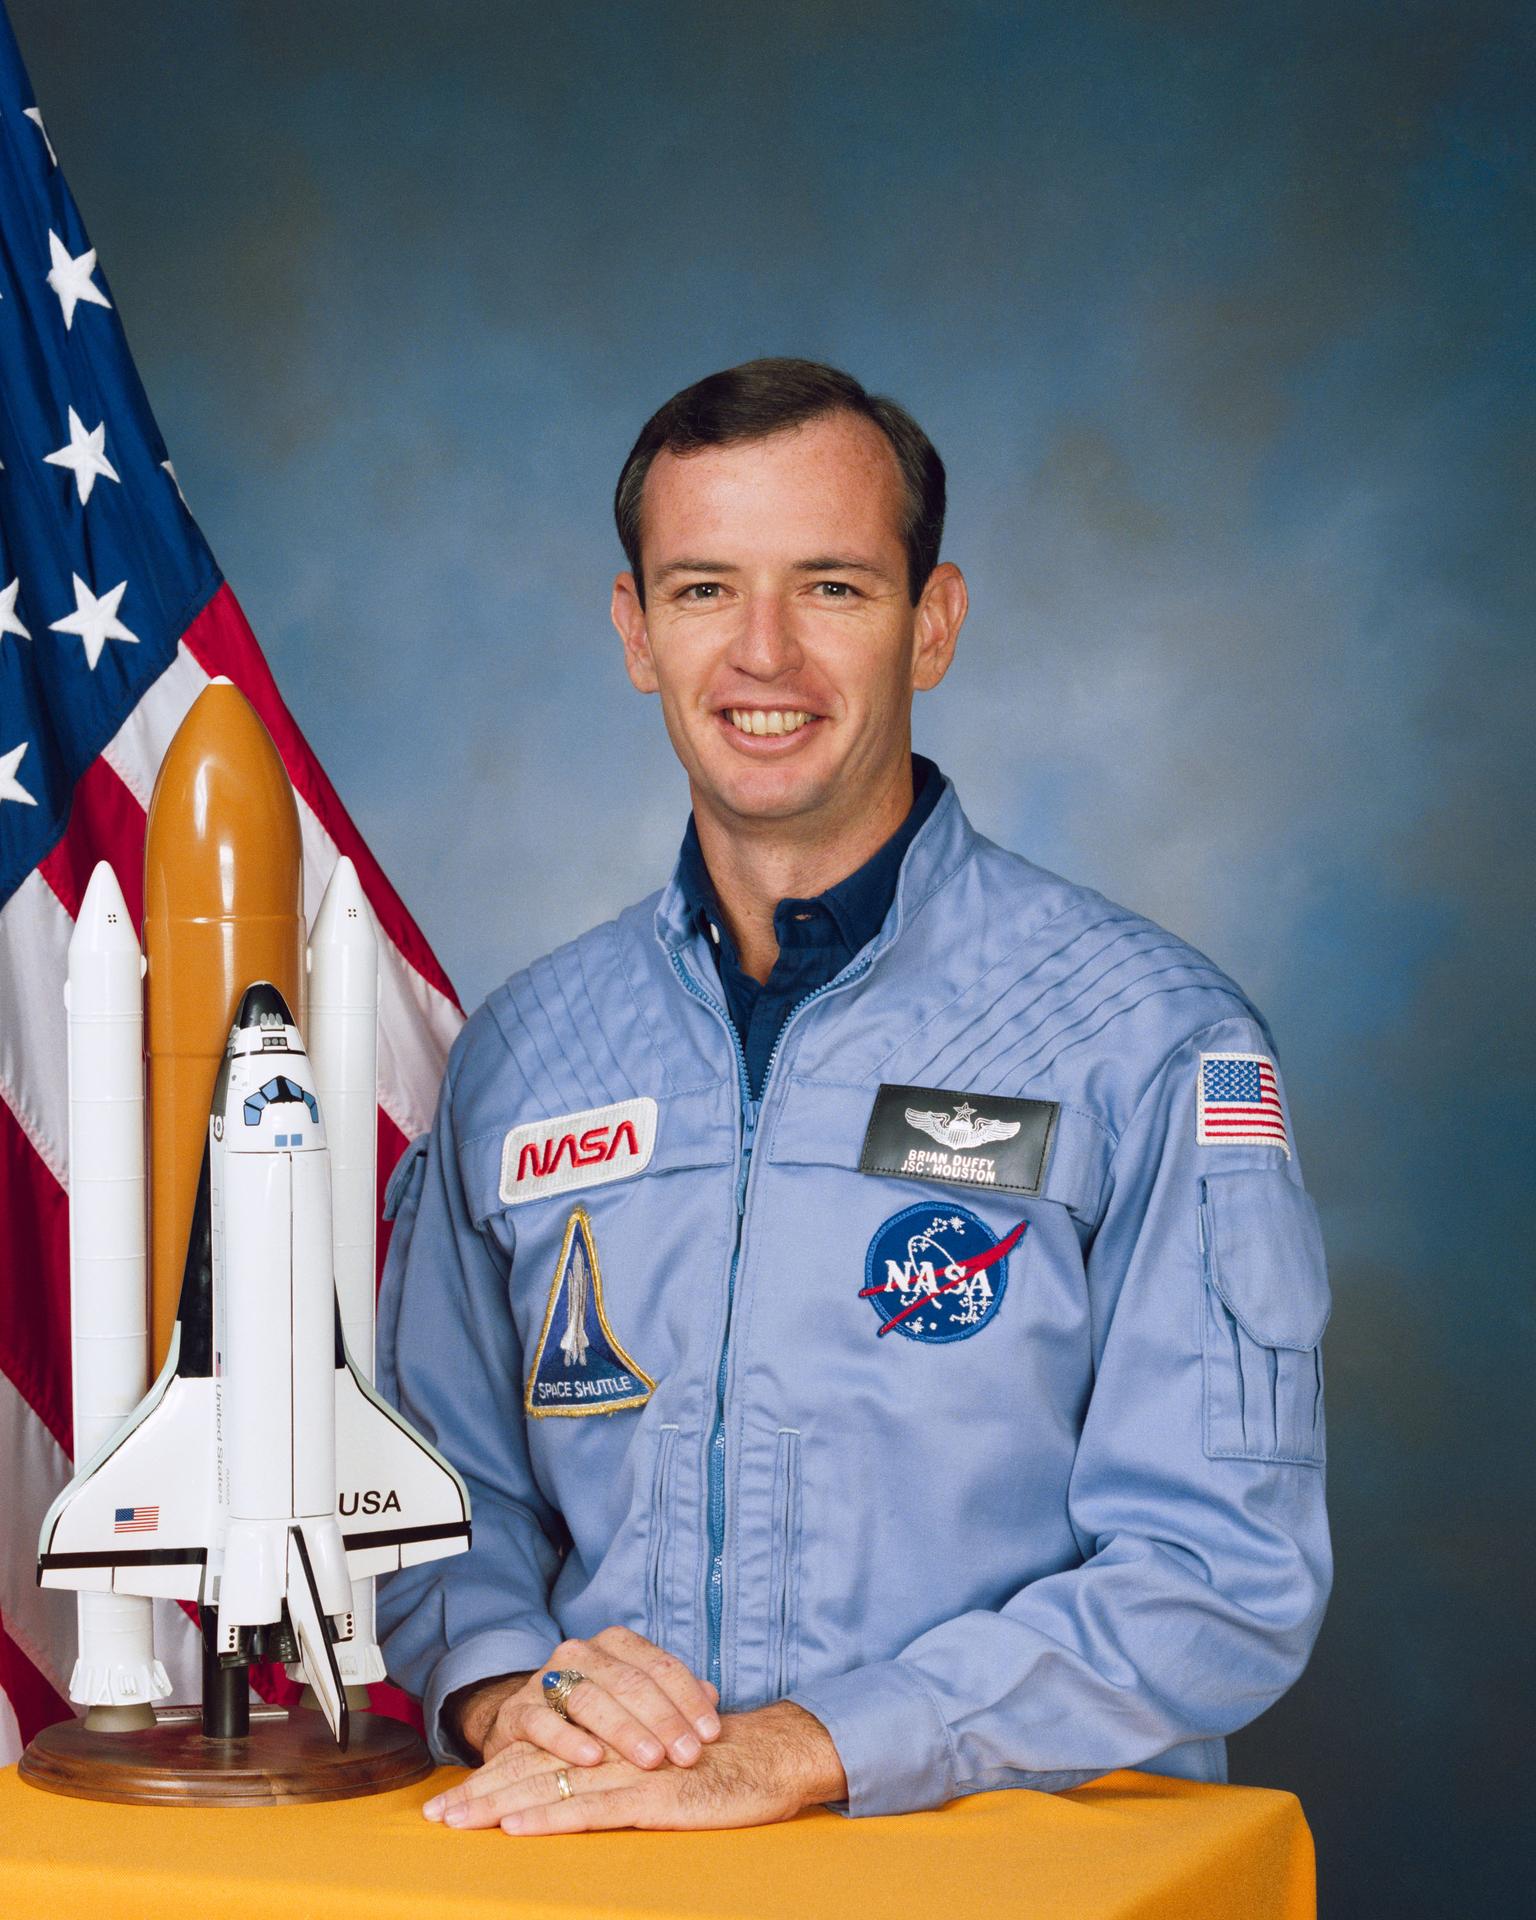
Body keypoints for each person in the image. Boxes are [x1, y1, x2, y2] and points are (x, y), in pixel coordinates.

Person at [375, 358, 1332, 1836]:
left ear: (931, 622)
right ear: (634, 631)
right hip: (599, 1864)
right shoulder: (524, 1057)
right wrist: (512, 1692)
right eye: (703, 591)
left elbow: (1219, 1573)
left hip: (1006, 1870)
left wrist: (821, 1744)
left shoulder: (1143, 1038)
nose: (765, 656)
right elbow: (443, 1505)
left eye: (830, 587)